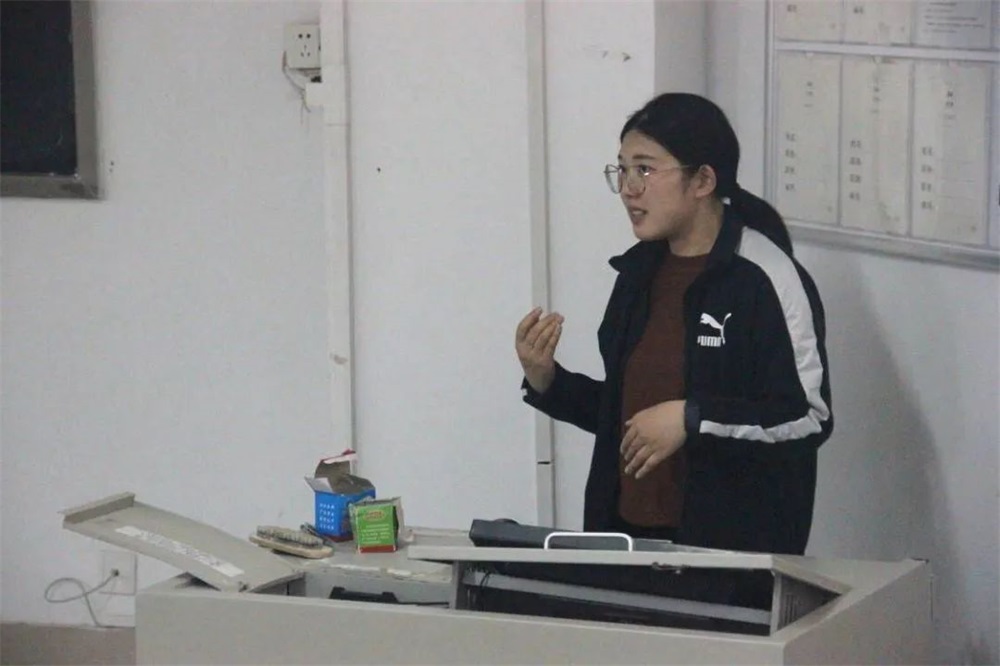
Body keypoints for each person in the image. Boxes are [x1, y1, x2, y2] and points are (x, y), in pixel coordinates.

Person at [515, 92, 832, 556]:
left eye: (645, 169)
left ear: (702, 180)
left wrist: (693, 418)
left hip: (725, 556)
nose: (628, 189)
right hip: (624, 540)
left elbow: (807, 418)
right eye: (622, 169)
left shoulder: (765, 277)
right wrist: (549, 381)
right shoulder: (638, 274)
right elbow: (629, 416)